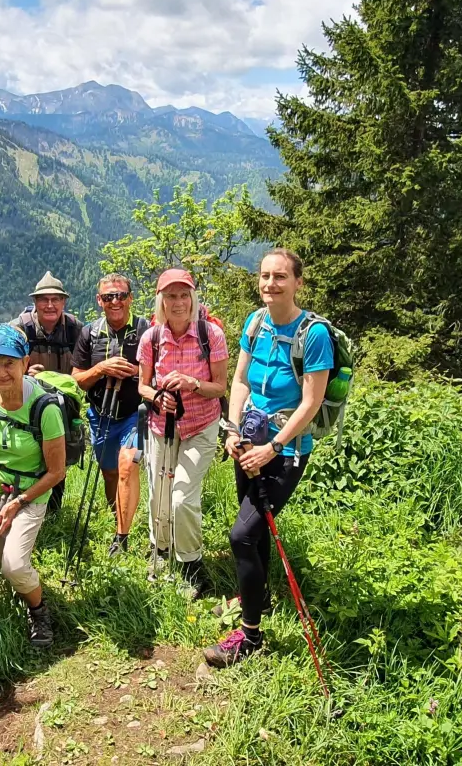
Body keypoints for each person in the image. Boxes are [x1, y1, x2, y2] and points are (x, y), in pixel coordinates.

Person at [204, 248, 333, 668]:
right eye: (264, 275)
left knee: (241, 535)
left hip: (285, 453)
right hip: (248, 442)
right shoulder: (255, 322)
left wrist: (272, 447)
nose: (270, 284)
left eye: (280, 276)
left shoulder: (312, 335)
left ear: (298, 282)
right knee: (255, 536)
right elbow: (240, 380)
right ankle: (255, 597)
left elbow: (310, 403)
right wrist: (233, 428)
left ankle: (251, 636)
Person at [0, 324, 68, 648]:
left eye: (9, 363)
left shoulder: (45, 408)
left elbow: (57, 471)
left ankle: (39, 611)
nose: (2, 371)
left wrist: (18, 502)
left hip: (32, 494)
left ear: (25, 362)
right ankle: (21, 592)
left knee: (14, 563)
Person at [137, 268, 227, 597]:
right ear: (161, 300)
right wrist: (158, 397)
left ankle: (190, 562)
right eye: (171, 296)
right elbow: (143, 386)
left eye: (184, 295)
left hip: (200, 425)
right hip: (162, 426)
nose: (178, 302)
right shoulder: (152, 337)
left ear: (193, 298)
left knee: (182, 498)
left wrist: (192, 384)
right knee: (158, 494)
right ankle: (159, 549)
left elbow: (219, 387)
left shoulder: (210, 335)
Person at [70, 273, 148, 556]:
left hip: (135, 413)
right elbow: (76, 379)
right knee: (109, 472)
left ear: (130, 297)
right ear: (99, 300)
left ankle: (121, 537)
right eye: (108, 297)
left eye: (121, 295)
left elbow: (159, 372)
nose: (115, 301)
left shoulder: (145, 330)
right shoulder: (89, 333)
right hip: (100, 414)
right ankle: (114, 511)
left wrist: (136, 372)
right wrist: (102, 369)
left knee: (128, 464)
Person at [10, 271, 83, 512]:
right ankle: (24, 506)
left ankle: (53, 512)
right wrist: (24, 372)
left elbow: (84, 366)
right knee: (28, 455)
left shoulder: (75, 329)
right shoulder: (20, 328)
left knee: (58, 455)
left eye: (55, 299)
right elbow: (2, 362)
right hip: (24, 403)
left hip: (62, 407)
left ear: (64, 301)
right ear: (35, 302)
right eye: (43, 299)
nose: (50, 305)